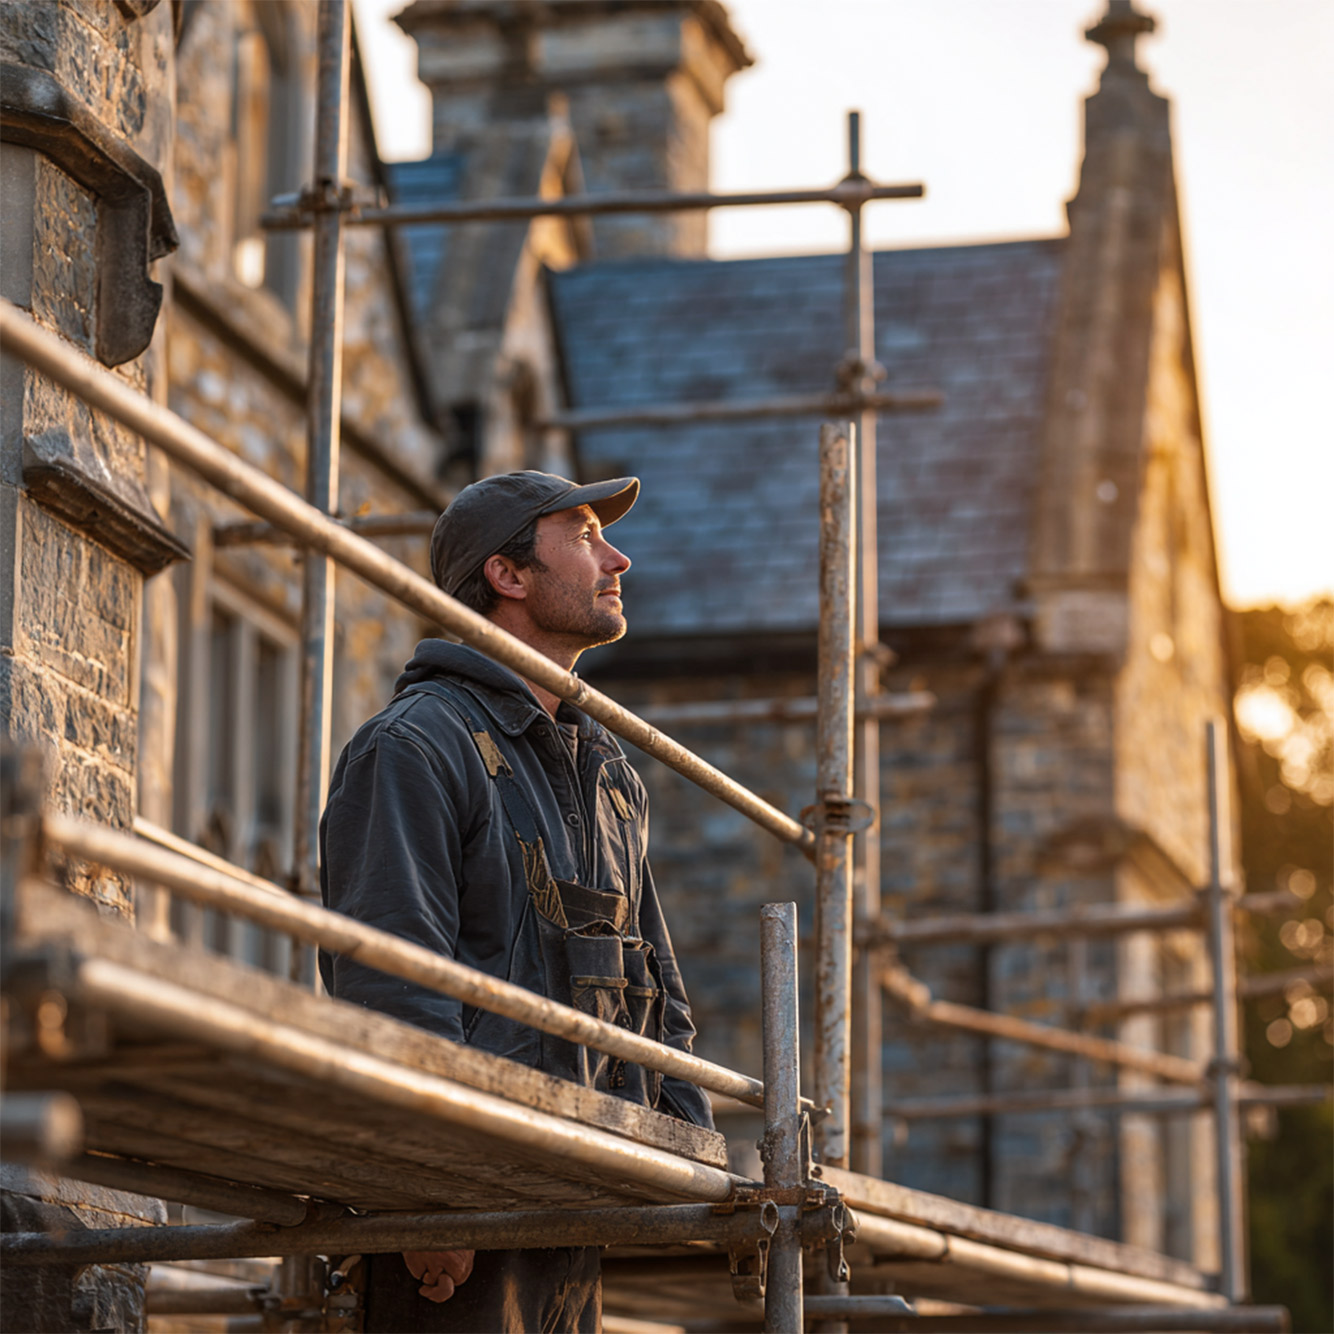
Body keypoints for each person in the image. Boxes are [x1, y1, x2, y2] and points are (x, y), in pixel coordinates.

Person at [319, 470, 713, 1333]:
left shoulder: (608, 772)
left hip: (578, 1197)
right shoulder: (415, 747)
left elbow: (657, 981)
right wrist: (429, 1195)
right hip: (469, 1215)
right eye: (582, 536)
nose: (619, 557)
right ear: (508, 575)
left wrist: (694, 1165)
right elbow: (391, 979)